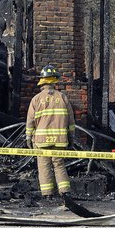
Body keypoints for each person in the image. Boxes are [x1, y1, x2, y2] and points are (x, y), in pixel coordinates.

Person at [25, 65, 75, 198]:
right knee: (59, 164)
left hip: (41, 141)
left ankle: (47, 194)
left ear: (42, 80)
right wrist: (71, 137)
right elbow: (71, 121)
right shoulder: (63, 98)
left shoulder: (36, 99)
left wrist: (28, 137)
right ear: (54, 81)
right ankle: (65, 192)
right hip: (59, 139)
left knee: (44, 166)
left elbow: (30, 122)